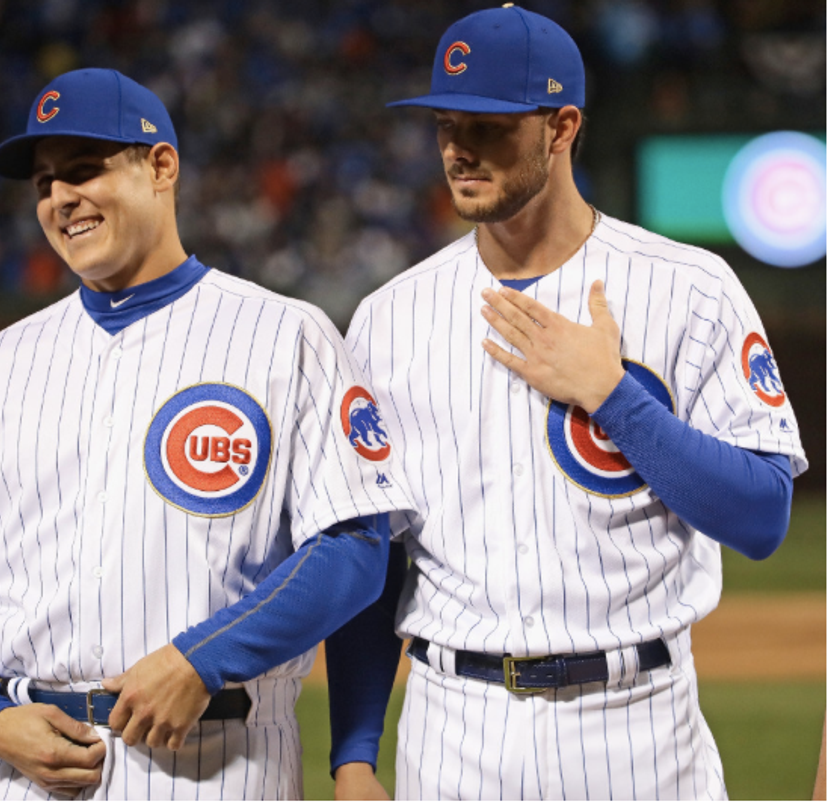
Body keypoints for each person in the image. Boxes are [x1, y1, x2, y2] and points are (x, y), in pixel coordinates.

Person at [0, 67, 414, 801]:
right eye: (43, 183)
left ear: (162, 166)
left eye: (83, 170)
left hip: (221, 761)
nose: (60, 197)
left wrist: (204, 657)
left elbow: (355, 547)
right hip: (33, 774)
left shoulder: (285, 335)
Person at [325, 6, 808, 800]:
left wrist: (615, 398)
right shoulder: (388, 317)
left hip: (639, 729)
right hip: (454, 732)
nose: (458, 148)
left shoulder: (688, 287)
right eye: (446, 123)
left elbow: (762, 516)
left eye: (488, 125)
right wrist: (353, 755)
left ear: (562, 127)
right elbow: (377, 556)